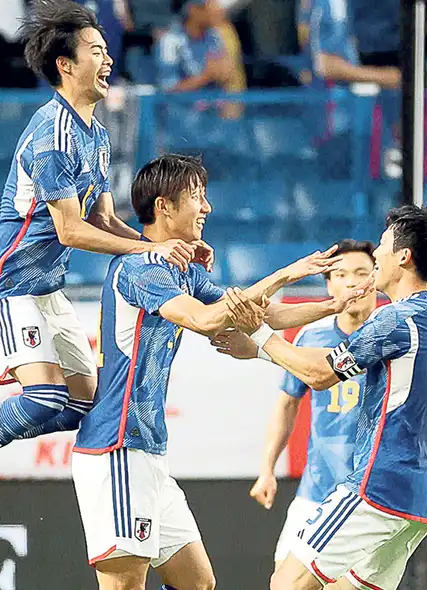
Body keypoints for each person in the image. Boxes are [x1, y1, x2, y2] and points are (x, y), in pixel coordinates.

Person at [0, 0, 210, 527]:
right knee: (45, 395)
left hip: (47, 287)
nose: (108, 58)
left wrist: (169, 245)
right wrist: (151, 250)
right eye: (96, 50)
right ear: (66, 65)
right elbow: (72, 230)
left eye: (106, 49)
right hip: (8, 284)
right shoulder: (51, 136)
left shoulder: (96, 134)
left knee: (86, 405)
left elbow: (104, 219)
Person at [71, 154, 366, 590]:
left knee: (198, 583)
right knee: (125, 585)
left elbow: (259, 313)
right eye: (196, 196)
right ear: (164, 206)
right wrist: (284, 274)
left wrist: (332, 305)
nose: (206, 207)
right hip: (116, 449)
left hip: (148, 451)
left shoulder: (181, 271)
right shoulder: (139, 269)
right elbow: (207, 320)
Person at [214, 204, 427, 590]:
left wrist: (260, 336)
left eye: (382, 246)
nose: (377, 256)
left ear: (403, 256)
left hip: (376, 485)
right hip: (422, 498)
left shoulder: (396, 318)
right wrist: (264, 347)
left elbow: (320, 374)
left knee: (286, 583)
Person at [248, 239, 378, 571]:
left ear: (376, 280)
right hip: (317, 490)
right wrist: (267, 469)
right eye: (341, 275)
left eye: (361, 273)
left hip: (371, 496)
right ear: (329, 284)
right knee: (284, 576)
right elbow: (287, 403)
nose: (352, 282)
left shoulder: (390, 335)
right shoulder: (311, 335)